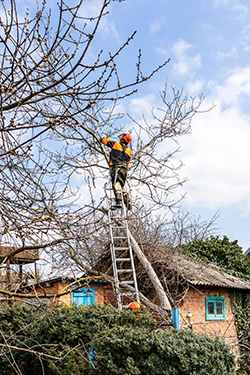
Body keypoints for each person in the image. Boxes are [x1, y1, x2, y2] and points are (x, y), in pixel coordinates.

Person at [101, 133, 132, 210]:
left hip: (116, 168)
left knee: (116, 183)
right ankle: (127, 201)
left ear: (123, 138)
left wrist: (101, 139)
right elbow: (128, 162)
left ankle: (118, 201)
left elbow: (106, 141)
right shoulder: (128, 151)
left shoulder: (116, 144)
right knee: (121, 185)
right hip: (124, 170)